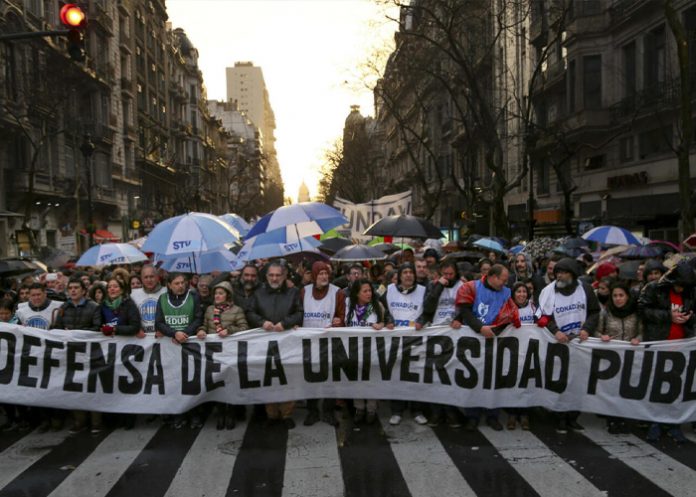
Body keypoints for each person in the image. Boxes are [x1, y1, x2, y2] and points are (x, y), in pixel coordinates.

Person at [536, 257, 600, 433]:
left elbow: (595, 312)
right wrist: (555, 330)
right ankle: (560, 417)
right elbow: (540, 315)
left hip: (580, 344)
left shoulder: (585, 289)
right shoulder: (548, 291)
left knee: (578, 382)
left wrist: (587, 328)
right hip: (558, 344)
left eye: (563, 273)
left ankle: (573, 417)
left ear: (572, 274)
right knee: (560, 381)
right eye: (557, 273)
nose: (559, 276)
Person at [455, 264, 520, 431]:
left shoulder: (506, 292)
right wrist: (480, 328)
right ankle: (472, 415)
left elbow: (509, 313)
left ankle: (493, 415)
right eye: (502, 280)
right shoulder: (471, 287)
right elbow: (465, 312)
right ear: (492, 277)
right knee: (474, 379)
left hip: (495, 340)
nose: (504, 284)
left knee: (494, 380)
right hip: (474, 340)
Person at [639, 261, 695, 443]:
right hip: (659, 344)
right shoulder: (654, 289)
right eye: (678, 286)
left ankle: (673, 425)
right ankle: (654, 423)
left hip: (681, 347)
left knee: (676, 389)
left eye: (683, 287)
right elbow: (642, 310)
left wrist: (690, 317)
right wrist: (668, 316)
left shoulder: (690, 291)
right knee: (656, 388)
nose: (680, 290)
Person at [247, 261, 303, 429]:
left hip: (287, 343)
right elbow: (249, 312)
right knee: (268, 377)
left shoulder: (293, 292)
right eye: (271, 275)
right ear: (266, 276)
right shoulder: (258, 293)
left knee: (288, 377)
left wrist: (285, 323)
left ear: (284, 275)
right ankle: (271, 414)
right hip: (265, 344)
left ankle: (287, 414)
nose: (274, 278)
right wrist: (261, 322)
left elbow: (299, 313)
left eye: (278, 275)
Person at [196, 281, 248, 430]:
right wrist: (201, 330)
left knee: (231, 381)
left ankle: (231, 412)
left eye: (221, 293)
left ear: (228, 295)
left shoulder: (237, 310)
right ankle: (221, 413)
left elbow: (244, 327)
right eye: (216, 294)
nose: (217, 296)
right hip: (214, 353)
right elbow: (204, 325)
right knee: (217, 382)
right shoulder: (209, 310)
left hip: (231, 352)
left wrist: (229, 330)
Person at [299, 261, 346, 426]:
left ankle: (328, 410)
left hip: (329, 342)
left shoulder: (337, 293)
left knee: (330, 376)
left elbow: (342, 316)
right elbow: (299, 312)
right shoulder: (304, 292)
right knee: (310, 377)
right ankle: (312, 410)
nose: (324, 277)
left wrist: (339, 321)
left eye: (326, 273)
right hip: (308, 342)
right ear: (314, 276)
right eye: (320, 274)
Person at [419, 261, 464, 428]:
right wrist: (439, 287)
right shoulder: (433, 285)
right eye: (445, 274)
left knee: (451, 375)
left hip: (454, 336)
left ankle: (451, 411)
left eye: (451, 274)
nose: (448, 277)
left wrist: (459, 319)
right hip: (436, 335)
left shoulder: (463, 286)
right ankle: (436, 412)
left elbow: (467, 308)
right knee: (436, 375)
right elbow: (428, 307)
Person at [382, 262, 428, 426]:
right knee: (396, 375)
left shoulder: (423, 290)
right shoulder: (390, 290)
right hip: (396, 339)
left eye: (411, 272)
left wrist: (421, 321)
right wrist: (387, 320)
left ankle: (417, 410)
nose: (408, 275)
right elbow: (383, 309)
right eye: (405, 272)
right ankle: (397, 410)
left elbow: (429, 310)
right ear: (399, 276)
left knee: (415, 375)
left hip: (416, 339)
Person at [55, 276, 103, 434]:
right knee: (74, 387)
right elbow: (56, 328)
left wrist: (76, 334)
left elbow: (97, 328)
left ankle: (96, 422)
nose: (73, 290)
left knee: (91, 386)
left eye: (76, 288)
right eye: (71, 288)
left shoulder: (94, 307)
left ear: (83, 291)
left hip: (89, 353)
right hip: (70, 354)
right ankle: (79, 421)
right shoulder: (64, 308)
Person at [596, 280, 642, 434]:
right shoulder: (605, 312)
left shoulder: (636, 313)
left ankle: (626, 420)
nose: (618, 298)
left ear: (627, 296)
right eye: (615, 295)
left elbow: (642, 331)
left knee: (627, 389)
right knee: (612, 390)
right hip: (612, 359)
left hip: (631, 358)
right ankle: (612, 420)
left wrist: (638, 339)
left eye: (621, 295)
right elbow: (596, 331)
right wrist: (602, 336)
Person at [344, 278, 391, 425]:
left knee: (371, 379)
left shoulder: (378, 305)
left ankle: (371, 409)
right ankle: (359, 408)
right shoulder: (348, 304)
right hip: (353, 350)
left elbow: (388, 320)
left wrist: (382, 324)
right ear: (357, 293)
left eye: (370, 290)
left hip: (372, 351)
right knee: (356, 380)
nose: (369, 293)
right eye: (365, 291)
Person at [130, 264, 167, 334]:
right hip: (142, 338)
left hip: (162, 337)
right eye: (146, 277)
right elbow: (130, 317)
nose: (149, 280)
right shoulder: (133, 295)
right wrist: (137, 329)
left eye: (151, 276)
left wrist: (164, 329)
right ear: (141, 279)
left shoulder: (166, 292)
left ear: (157, 277)